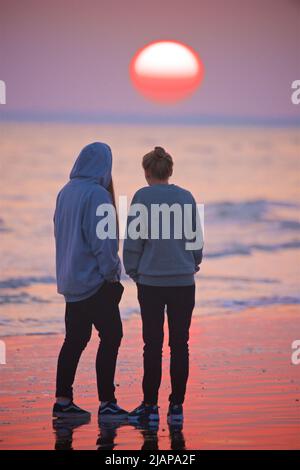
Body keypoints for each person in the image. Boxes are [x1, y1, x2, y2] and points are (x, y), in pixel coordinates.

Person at [123, 146, 203, 423]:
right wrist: (192, 263)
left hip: (151, 283)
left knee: (152, 344)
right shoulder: (186, 197)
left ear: (146, 172)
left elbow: (133, 243)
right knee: (180, 344)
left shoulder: (142, 198)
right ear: (169, 170)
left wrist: (134, 273)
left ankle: (150, 407)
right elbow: (196, 241)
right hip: (183, 281)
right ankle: (177, 407)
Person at [53, 142, 128, 420]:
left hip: (71, 280)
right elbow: (104, 243)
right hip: (95, 282)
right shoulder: (97, 195)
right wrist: (112, 277)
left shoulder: (65, 192)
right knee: (112, 336)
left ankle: (63, 401)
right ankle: (107, 403)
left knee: (75, 339)